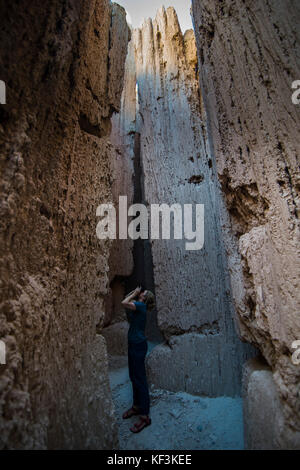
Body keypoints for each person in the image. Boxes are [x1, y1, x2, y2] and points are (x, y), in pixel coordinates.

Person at [121, 285, 155, 433]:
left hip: (138, 345)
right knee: (134, 376)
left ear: (144, 298)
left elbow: (124, 303)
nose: (141, 292)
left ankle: (145, 416)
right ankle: (136, 406)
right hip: (134, 343)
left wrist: (134, 293)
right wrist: (134, 294)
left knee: (140, 379)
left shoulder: (141, 306)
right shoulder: (139, 306)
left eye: (143, 293)